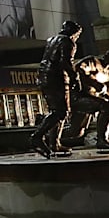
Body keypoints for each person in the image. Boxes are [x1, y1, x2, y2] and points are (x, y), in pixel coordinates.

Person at [28, 19, 81, 158]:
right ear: (73, 32)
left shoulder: (52, 39)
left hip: (44, 77)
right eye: (77, 34)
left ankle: (54, 143)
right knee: (61, 112)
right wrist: (75, 78)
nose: (77, 37)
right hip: (56, 79)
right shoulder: (68, 42)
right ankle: (37, 136)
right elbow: (66, 62)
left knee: (57, 111)